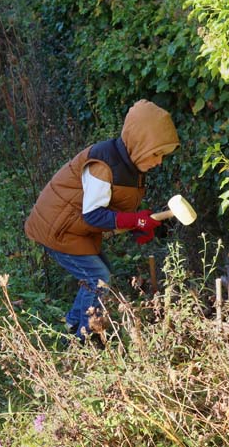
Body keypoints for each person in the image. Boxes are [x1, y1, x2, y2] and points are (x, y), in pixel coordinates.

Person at [24, 99, 180, 340]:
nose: (159, 161)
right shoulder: (104, 164)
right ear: (139, 144)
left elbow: (114, 208)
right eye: (156, 153)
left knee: (100, 274)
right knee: (98, 279)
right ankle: (84, 337)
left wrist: (138, 223)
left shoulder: (131, 166)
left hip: (76, 228)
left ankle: (73, 324)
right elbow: (94, 214)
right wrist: (136, 221)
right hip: (58, 229)